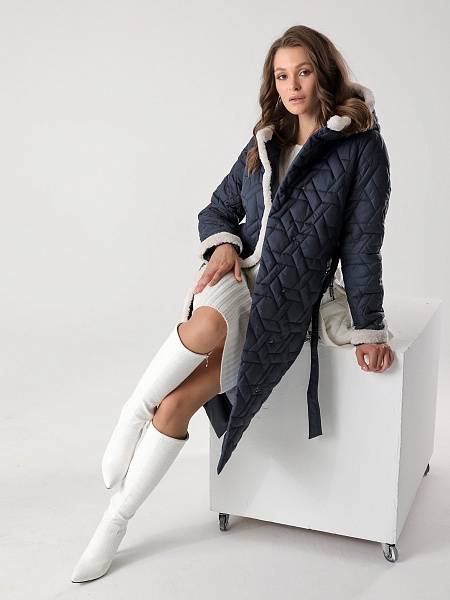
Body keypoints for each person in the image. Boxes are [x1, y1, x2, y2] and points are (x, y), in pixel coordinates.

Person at [72, 24, 394, 583]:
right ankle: (132, 412)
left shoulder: (361, 147)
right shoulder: (265, 141)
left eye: (303, 72)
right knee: (207, 323)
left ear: (323, 72)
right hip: (238, 273)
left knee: (177, 404)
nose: (292, 86)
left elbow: (361, 244)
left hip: (288, 294)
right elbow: (218, 208)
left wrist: (370, 327)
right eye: (281, 75)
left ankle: (115, 522)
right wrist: (223, 245)